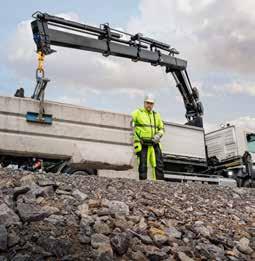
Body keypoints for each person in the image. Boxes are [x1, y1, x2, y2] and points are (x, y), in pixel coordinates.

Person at [131, 94, 164, 180]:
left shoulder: (156, 115)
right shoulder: (138, 113)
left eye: (151, 103)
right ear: (144, 103)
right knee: (143, 165)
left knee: (159, 164)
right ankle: (143, 183)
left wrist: (158, 135)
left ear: (153, 104)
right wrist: (136, 138)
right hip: (143, 143)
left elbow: (162, 128)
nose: (149, 105)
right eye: (148, 103)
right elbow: (129, 122)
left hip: (154, 143)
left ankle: (159, 183)